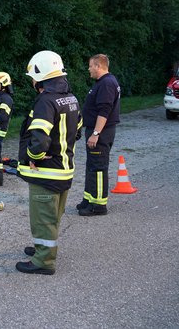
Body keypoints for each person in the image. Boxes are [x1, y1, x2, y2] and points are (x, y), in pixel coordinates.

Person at [16, 50, 82, 275]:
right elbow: (78, 130)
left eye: (33, 77)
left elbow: (40, 138)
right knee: (52, 215)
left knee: (43, 217)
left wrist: (34, 157)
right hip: (64, 169)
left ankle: (43, 261)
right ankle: (41, 248)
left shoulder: (46, 100)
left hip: (46, 172)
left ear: (42, 75)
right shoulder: (71, 98)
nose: (32, 82)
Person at [77, 54, 121, 216]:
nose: (89, 69)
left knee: (99, 168)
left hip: (101, 132)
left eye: (90, 66)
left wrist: (95, 133)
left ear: (98, 66)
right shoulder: (103, 82)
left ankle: (99, 205)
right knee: (92, 166)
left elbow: (104, 111)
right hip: (97, 130)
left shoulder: (107, 84)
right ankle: (88, 199)